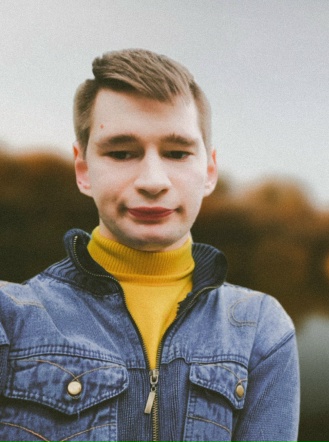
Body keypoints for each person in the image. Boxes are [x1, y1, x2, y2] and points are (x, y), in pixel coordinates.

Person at [0, 49, 300, 441]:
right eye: (121, 153)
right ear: (83, 169)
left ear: (209, 171)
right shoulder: (10, 319)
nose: (153, 181)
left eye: (177, 153)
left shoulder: (261, 329)